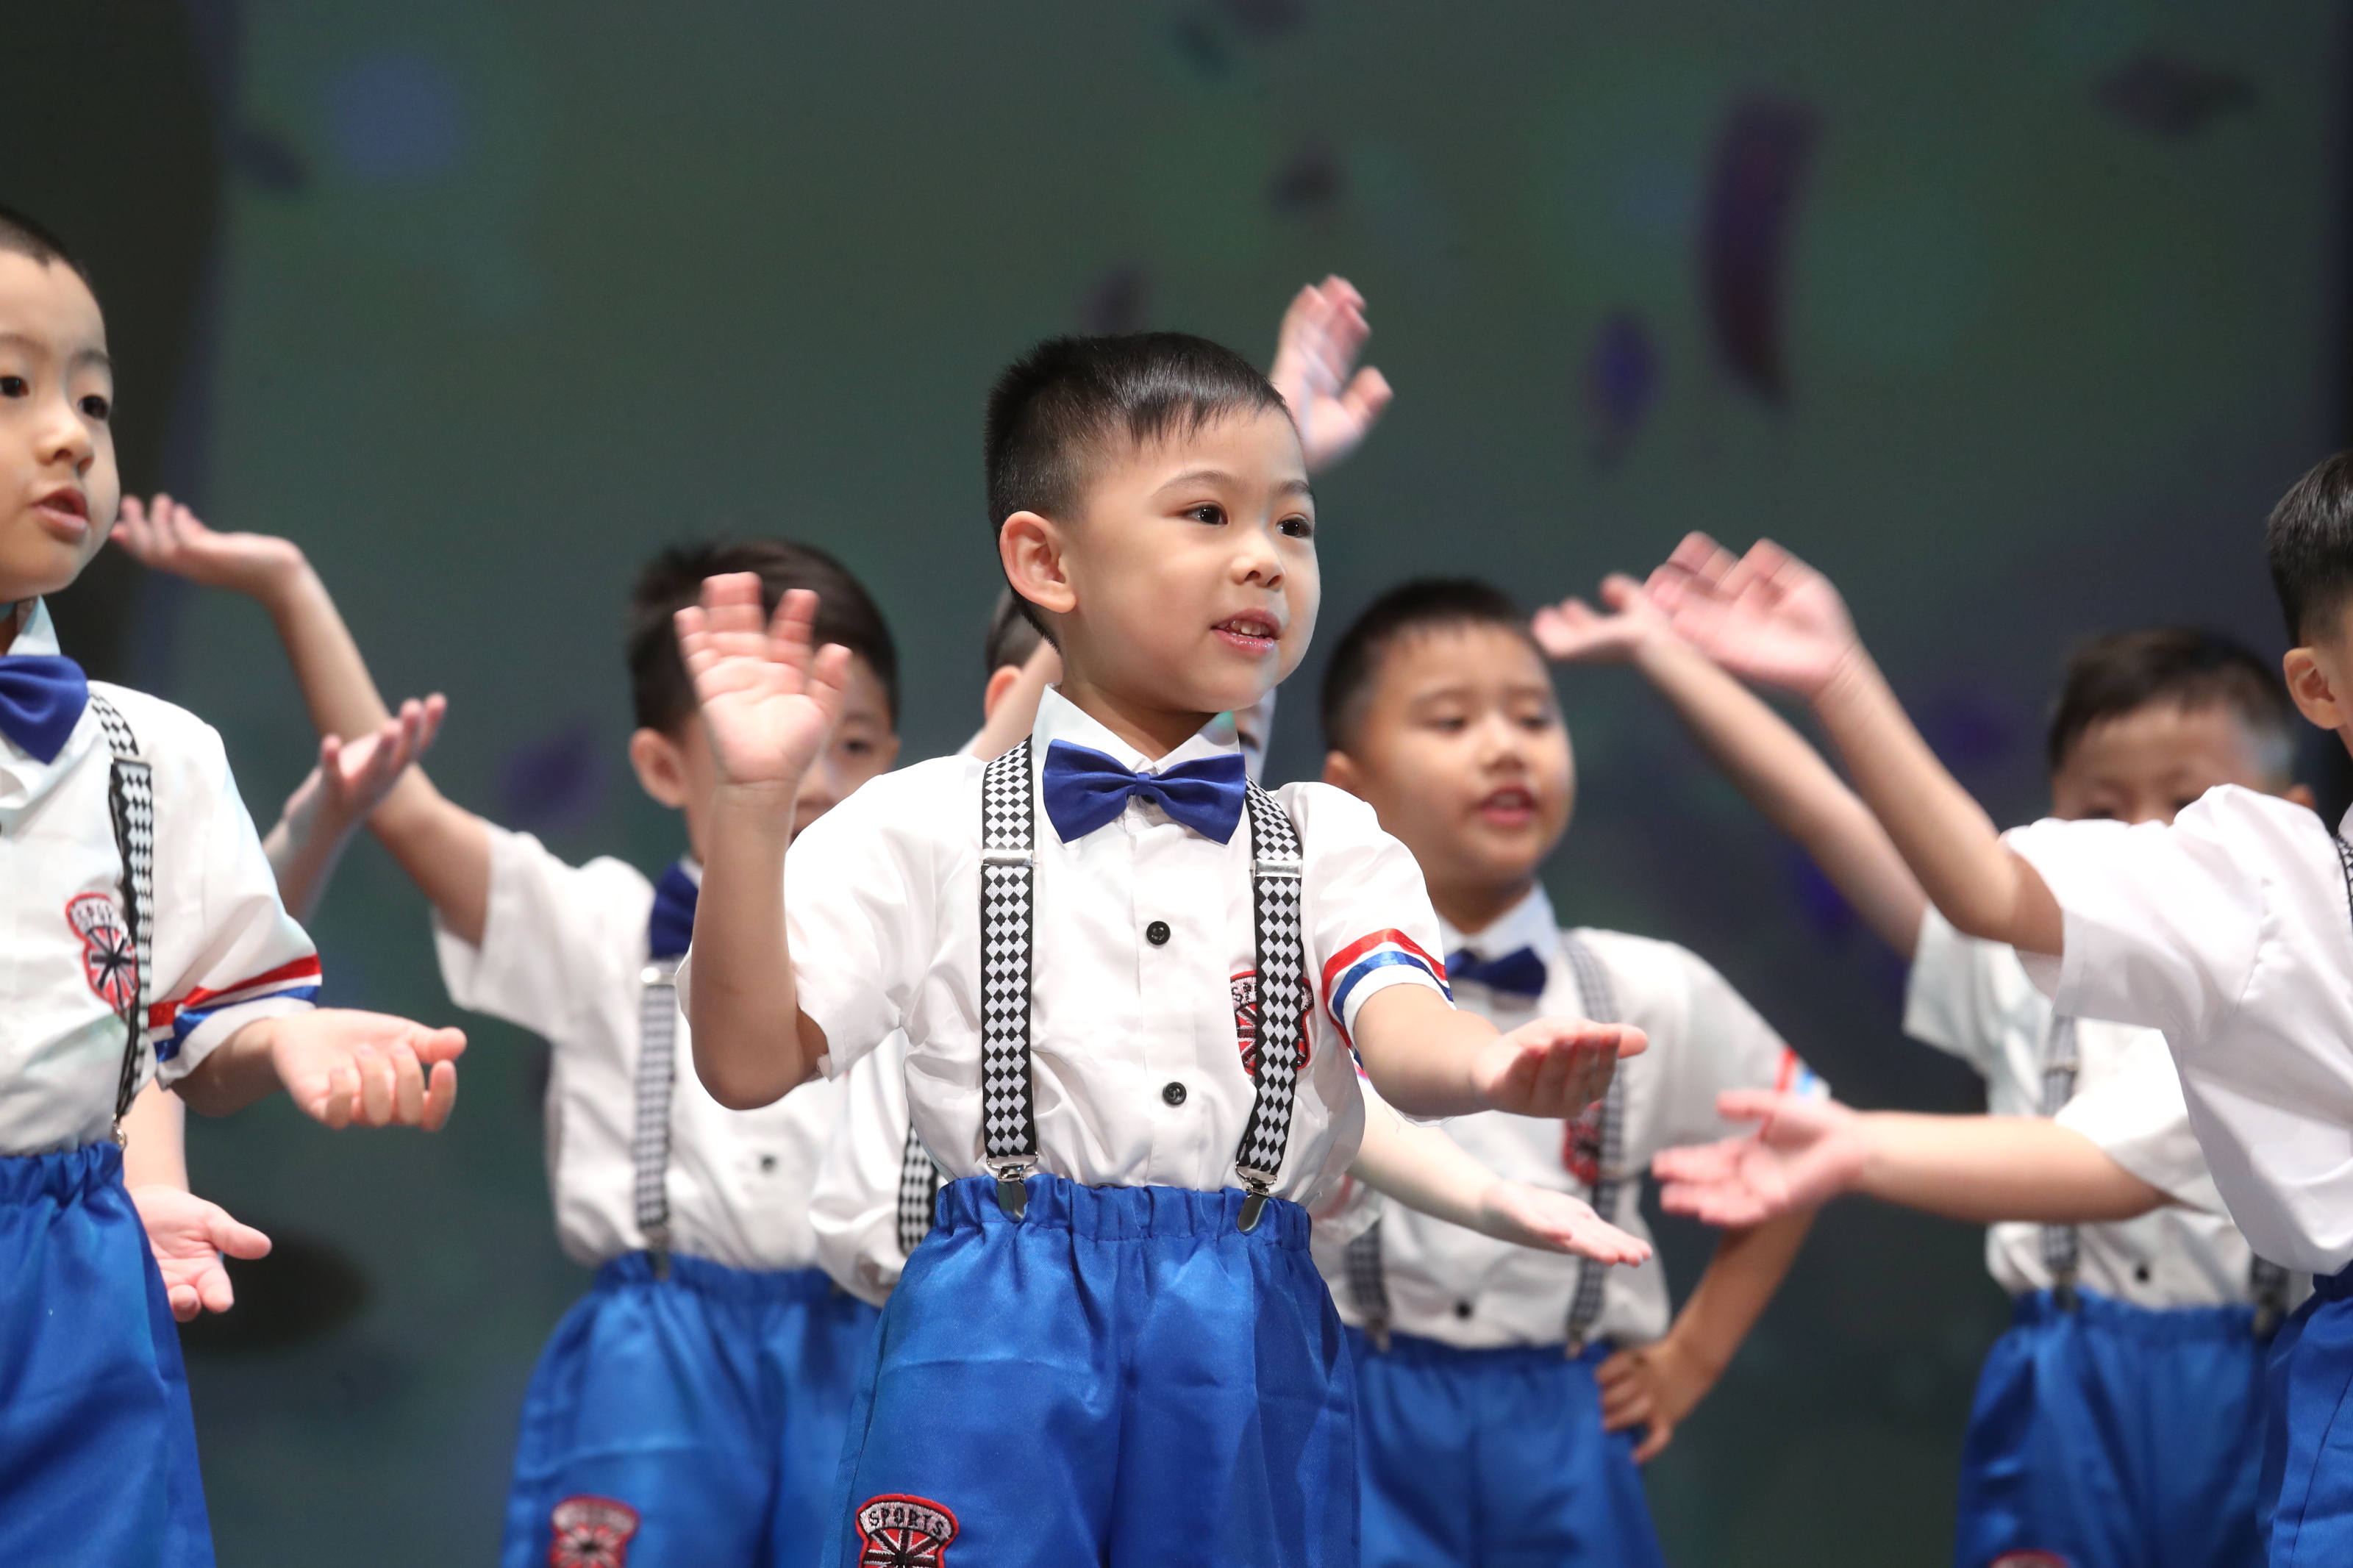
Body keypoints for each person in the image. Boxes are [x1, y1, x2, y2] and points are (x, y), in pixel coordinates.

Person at [679, 330, 1645, 1568]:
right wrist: (752, 807)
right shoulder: (924, 824)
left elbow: (1402, 1027)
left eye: (1293, 525)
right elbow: (747, 1061)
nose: (1263, 557)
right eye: (1206, 513)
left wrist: (1493, 1067)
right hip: (997, 1322)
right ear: (1047, 561)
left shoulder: (1328, 842)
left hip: (1245, 1331)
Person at [110, 496, 899, 1568]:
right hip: (658, 1355)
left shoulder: (912, 935)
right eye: (763, 733)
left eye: (852, 742)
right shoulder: (606, 927)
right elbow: (405, 805)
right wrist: (288, 584)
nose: (816, 777)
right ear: (665, 767)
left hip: (856, 1338)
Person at [1631, 483, 2353, 1567]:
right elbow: (1926, 867)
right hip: (2098, 1375)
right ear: (2321, 684)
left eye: (2178, 795)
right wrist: (1821, 675)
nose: (2144, 830)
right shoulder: (2262, 900)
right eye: (2108, 808)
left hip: (2236, 1362)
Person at [0, 206, 465, 1568]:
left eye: (95, 398)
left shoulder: (153, 755)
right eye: (11, 385)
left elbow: (201, 1024)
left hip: (70, 1289)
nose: (71, 435)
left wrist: (284, 1037)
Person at [1304, 578, 1819, 1567]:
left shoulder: (1649, 987)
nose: (1506, 747)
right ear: (1349, 788)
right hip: (1355, 1403)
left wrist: (1692, 1357)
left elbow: (1801, 1140)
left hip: (1566, 1423)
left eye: (1534, 717)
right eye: (1451, 720)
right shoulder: (1307, 982)